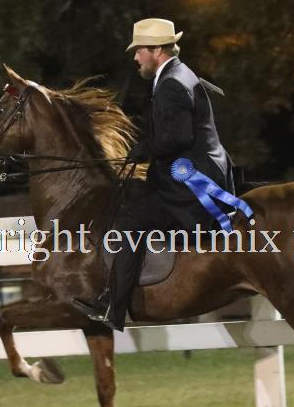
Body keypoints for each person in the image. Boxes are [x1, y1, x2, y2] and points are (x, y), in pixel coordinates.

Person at [71, 18, 237, 330]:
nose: (135, 57)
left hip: (193, 183)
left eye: (139, 51)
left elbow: (178, 137)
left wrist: (144, 149)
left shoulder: (172, 83)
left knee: (131, 220)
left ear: (157, 50)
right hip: (198, 172)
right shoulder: (178, 74)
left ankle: (114, 307)